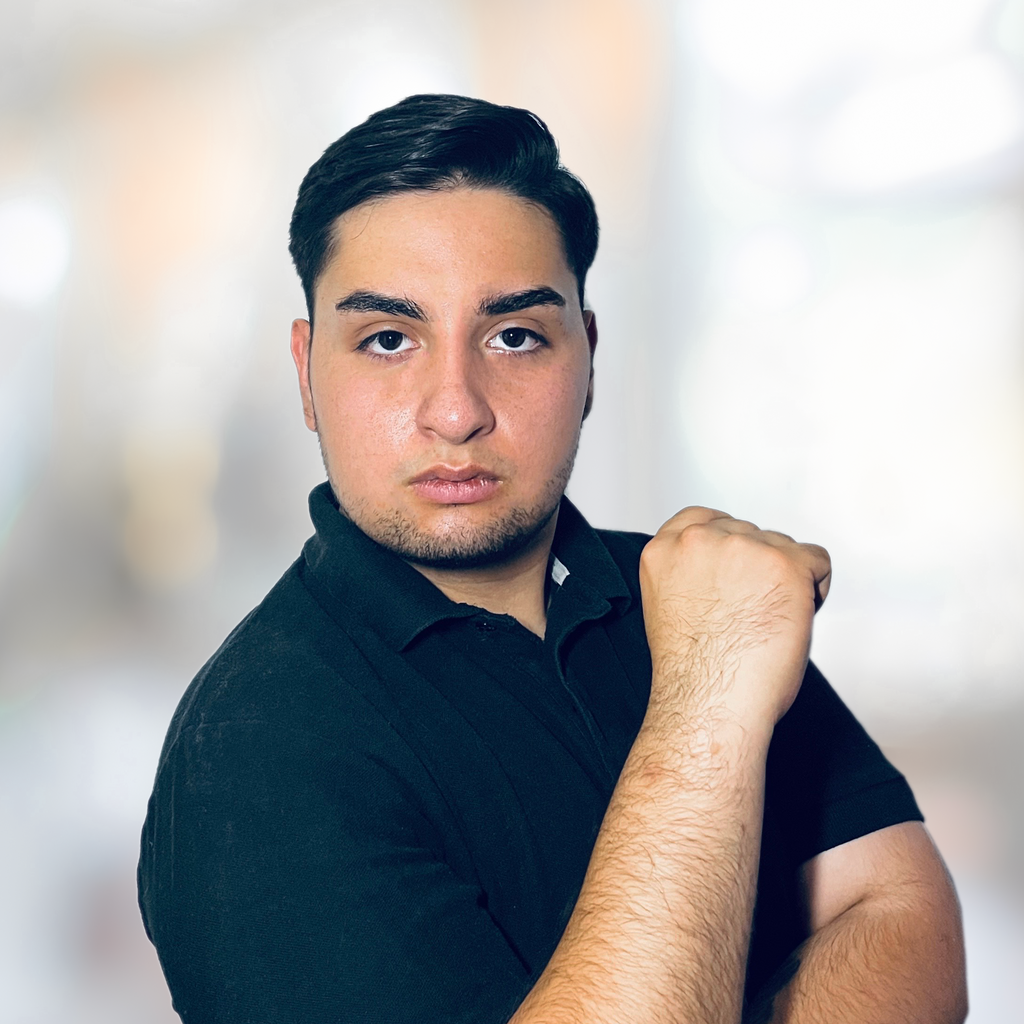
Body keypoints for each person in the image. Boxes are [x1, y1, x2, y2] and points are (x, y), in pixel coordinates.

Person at [138, 94, 967, 1024]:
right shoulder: (255, 747)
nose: (457, 410)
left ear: (588, 358)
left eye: (515, 336)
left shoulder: (695, 592)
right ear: (306, 374)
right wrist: (707, 703)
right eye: (388, 340)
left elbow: (912, 925)